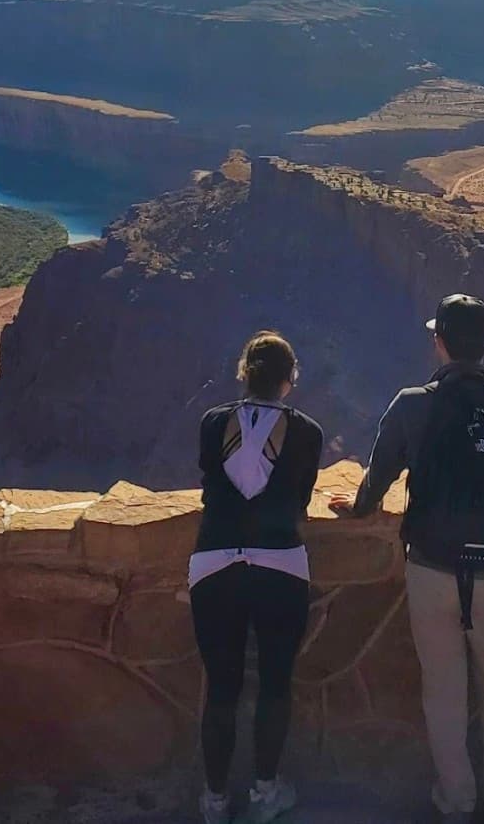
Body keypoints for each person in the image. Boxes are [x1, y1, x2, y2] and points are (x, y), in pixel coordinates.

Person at [328, 294, 484, 822]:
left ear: (439, 343)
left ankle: (457, 801)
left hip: (432, 566)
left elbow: (377, 482)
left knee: (442, 691)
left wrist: (357, 508)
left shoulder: (411, 404)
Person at [191, 330, 323, 824]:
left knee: (222, 686)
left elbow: (213, 475)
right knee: (274, 682)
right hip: (280, 563)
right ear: (290, 379)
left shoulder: (212, 422)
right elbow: (301, 496)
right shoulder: (307, 430)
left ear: (244, 372)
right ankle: (266, 791)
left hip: (213, 562)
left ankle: (215, 799)